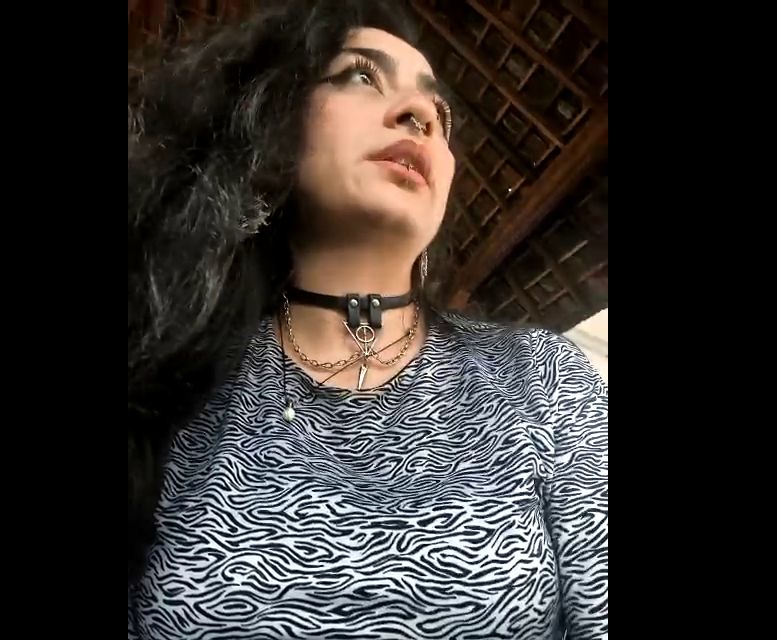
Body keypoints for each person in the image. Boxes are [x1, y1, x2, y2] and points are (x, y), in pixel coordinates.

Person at [128, 0, 608, 637]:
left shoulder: (543, 377)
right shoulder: (169, 378)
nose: (419, 115)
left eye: (439, 114)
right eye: (360, 75)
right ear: (274, 120)